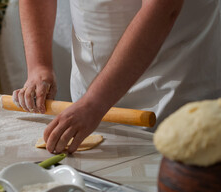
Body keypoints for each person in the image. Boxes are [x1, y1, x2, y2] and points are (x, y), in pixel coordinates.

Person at [12, 0, 221, 154]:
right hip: (90, 91)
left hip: (174, 81)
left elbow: (162, 9)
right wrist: (39, 65)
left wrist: (94, 102)